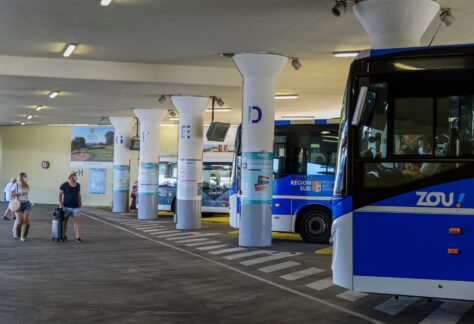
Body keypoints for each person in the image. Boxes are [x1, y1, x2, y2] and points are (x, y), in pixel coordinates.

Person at [59, 171, 82, 243]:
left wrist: (80, 202)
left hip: (76, 207)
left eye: (76, 175)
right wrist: (60, 204)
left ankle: (77, 237)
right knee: (65, 222)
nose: (75, 176)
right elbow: (60, 195)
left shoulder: (78, 185)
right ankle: (64, 235)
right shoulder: (64, 185)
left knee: (77, 222)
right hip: (66, 207)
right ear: (70, 176)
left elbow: (79, 194)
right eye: (74, 175)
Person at [11, 172, 31, 242]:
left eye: (26, 176)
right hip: (18, 204)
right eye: (24, 176)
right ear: (20, 177)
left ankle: (22, 236)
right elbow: (12, 194)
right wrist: (19, 193)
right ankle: (15, 231)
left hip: (26, 204)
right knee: (19, 221)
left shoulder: (27, 185)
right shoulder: (16, 185)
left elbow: (26, 194)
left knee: (25, 220)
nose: (26, 177)